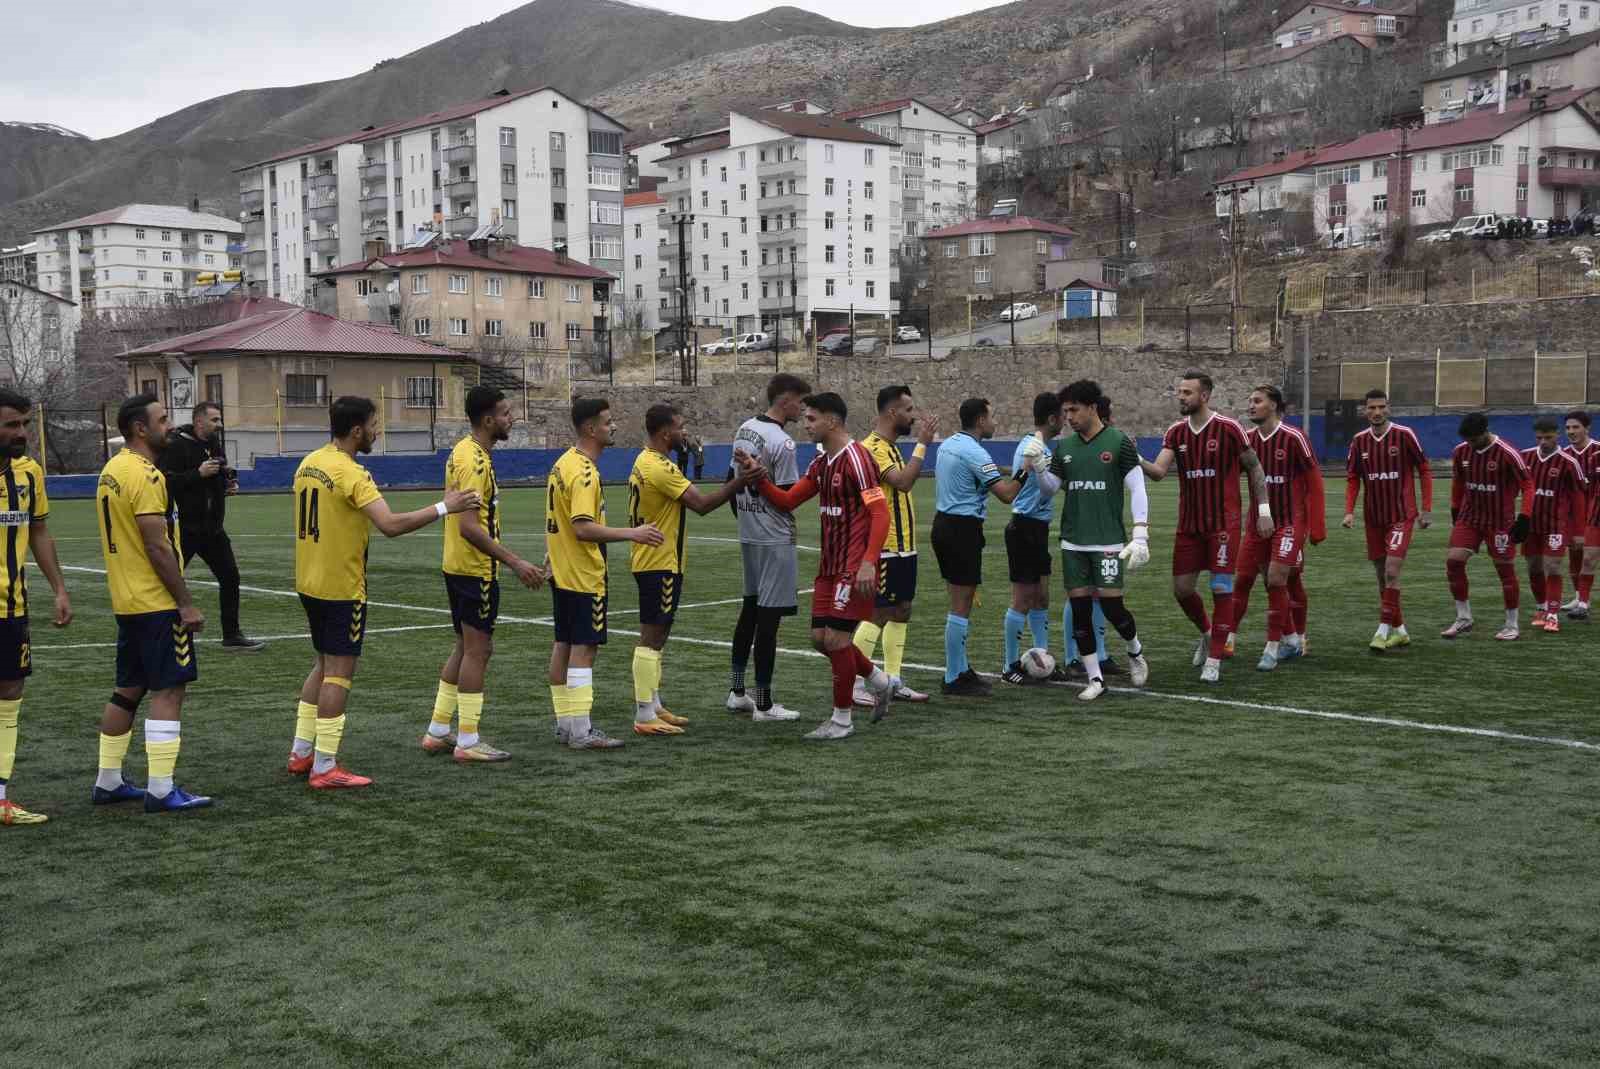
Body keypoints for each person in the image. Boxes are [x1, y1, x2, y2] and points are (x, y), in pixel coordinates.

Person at [289, 396, 479, 789]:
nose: (377, 431)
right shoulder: (351, 472)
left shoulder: (309, 463)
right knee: (338, 675)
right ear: (357, 430)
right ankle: (325, 767)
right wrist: (445, 507)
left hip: (309, 581)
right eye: (374, 424)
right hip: (341, 586)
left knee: (322, 666)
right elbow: (390, 524)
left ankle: (301, 753)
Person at [738, 392, 895, 740]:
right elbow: (789, 500)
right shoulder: (822, 463)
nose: (805, 424)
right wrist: (758, 477)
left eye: (811, 419)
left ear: (832, 421)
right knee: (819, 640)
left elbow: (879, 512)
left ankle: (842, 721)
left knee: (837, 640)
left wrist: (869, 561)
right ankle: (881, 682)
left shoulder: (857, 458)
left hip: (854, 567)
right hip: (829, 567)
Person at [93, 394, 211, 812]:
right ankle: (161, 789)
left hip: (126, 600)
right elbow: (157, 546)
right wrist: (185, 603)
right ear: (140, 429)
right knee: (169, 690)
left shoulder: (112, 470)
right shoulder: (146, 476)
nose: (170, 425)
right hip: (155, 602)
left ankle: (108, 781)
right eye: (163, 420)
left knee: (128, 689)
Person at [424, 387, 545, 764]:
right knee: (479, 650)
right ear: (489, 419)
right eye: (507, 413)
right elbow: (470, 527)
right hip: (474, 569)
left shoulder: (464, 451)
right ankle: (468, 739)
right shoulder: (474, 460)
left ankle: (438, 730)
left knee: (463, 646)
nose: (512, 419)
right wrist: (515, 562)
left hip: (455, 565)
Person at [546, 397, 663, 750]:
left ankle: (567, 723)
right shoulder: (583, 471)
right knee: (585, 647)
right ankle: (581, 731)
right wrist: (633, 533)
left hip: (564, 571)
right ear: (589, 429)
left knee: (563, 644)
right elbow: (582, 527)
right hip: (583, 574)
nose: (613, 426)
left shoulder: (562, 464)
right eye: (608, 422)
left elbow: (558, 522)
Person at [1140, 371, 1271, 684]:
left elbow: (1254, 468)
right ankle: (1210, 633)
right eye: (1179, 392)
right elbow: (1158, 471)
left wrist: (1263, 510)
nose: (1181, 397)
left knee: (1221, 588)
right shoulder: (1175, 432)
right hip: (1189, 525)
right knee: (1182, 590)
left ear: (1205, 396)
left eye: (1187, 392)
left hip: (1223, 525)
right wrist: (1135, 457)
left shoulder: (1229, 428)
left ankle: (1214, 659)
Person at [628, 403, 749, 736]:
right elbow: (702, 505)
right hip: (658, 561)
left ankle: (653, 704)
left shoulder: (647, 460)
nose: (686, 433)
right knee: (651, 638)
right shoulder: (658, 467)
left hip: (657, 559)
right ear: (666, 432)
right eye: (681, 427)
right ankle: (643, 713)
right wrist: (740, 483)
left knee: (658, 635)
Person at [1034, 379, 1151, 702]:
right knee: (1081, 610)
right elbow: (1049, 489)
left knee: (1114, 607)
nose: (1068, 417)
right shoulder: (1066, 448)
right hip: (1073, 541)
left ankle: (1135, 651)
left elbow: (1138, 488)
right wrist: (1038, 469)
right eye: (1065, 411)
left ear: (1092, 408)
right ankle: (1095, 679)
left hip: (1108, 542)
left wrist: (1141, 532)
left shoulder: (1119, 443)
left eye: (1074, 410)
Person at [0, 389, 70, 826]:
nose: (21, 433)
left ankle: (1, 798)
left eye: (24, 424)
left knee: (10, 693)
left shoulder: (28, 475)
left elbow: (39, 531)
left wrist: (59, 588)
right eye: (11, 425)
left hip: (11, 607)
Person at [726, 373, 811, 722]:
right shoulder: (783, 442)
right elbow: (788, 499)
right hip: (775, 539)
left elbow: (731, 482)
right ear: (785, 399)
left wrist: (747, 519)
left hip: (749, 534)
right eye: (801, 401)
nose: (803, 408)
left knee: (749, 611)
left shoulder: (745, 428)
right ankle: (763, 704)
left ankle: (737, 691)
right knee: (769, 621)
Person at [932, 398, 1026, 696]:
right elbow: (1008, 495)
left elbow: (985, 471)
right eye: (992, 415)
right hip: (962, 530)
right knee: (961, 603)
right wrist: (1026, 470)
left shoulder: (950, 444)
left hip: (944, 524)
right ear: (980, 421)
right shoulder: (975, 450)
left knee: (959, 599)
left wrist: (1007, 469)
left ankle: (960, 668)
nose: (994, 421)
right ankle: (952, 677)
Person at [851, 385, 936, 707]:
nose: (913, 416)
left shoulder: (891, 446)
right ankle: (855, 682)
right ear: (892, 413)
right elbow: (902, 481)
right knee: (878, 613)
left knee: (901, 611)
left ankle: (892, 680)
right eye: (909, 410)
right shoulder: (872, 447)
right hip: (883, 547)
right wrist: (923, 445)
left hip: (904, 547)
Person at [1233, 385, 1325, 670]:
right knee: (1259, 580)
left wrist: (1317, 526)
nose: (1251, 406)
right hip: (1256, 526)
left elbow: (1315, 481)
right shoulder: (1246, 440)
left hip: (1289, 523)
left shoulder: (1294, 437)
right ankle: (1291, 639)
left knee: (1278, 579)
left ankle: (1272, 647)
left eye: (1257, 401)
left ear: (1273, 405)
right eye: (1249, 401)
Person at [158, 401, 262, 651]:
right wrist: (198, 473)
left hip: (212, 529)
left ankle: (232, 635)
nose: (220, 425)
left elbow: (218, 469)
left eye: (220, 420)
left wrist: (227, 481)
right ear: (199, 422)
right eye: (215, 420)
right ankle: (164, 637)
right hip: (184, 528)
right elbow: (163, 482)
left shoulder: (213, 443)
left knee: (230, 577)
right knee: (170, 581)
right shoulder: (176, 445)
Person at [1341, 388, 1432, 650]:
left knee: (1392, 570)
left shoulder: (1404, 435)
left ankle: (1381, 631)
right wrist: (1349, 511)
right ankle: (1401, 630)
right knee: (1383, 577)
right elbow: (1353, 478)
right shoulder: (1359, 441)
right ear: (1364, 410)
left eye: (1381, 407)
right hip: (1374, 518)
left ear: (1388, 408)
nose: (1377, 412)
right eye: (1372, 408)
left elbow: (1424, 469)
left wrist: (1425, 509)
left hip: (1402, 516)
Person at [1442, 412, 1533, 641]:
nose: (1470, 444)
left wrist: (1524, 518)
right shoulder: (1461, 452)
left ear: (1485, 432)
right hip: (1469, 518)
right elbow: (1458, 482)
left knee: (1505, 571)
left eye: (1474, 439)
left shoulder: (1508, 453)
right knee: (1453, 561)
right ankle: (1464, 618)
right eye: (1467, 440)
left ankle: (1512, 624)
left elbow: (1528, 485)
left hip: (1499, 523)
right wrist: (1455, 509)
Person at [1000, 393, 1064, 685]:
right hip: (1024, 528)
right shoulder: (1034, 447)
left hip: (1037, 529)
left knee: (1041, 597)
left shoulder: (1039, 445)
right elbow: (1039, 479)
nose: (1066, 420)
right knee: (1023, 599)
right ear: (1052, 419)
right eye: (1062, 415)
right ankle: (1009, 665)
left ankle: (1042, 658)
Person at [1520, 417, 1587, 632]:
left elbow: (1578, 499)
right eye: (1539, 438)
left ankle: (1552, 615)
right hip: (1531, 525)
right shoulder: (1526, 457)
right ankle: (1541, 607)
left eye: (1548, 437)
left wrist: (1579, 531)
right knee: (1533, 567)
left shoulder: (1568, 461)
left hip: (1555, 526)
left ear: (1557, 436)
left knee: (1553, 567)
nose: (1543, 442)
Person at [1561, 410, 1598, 617]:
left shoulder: (1597, 450)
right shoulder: (1564, 455)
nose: (1571, 431)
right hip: (1574, 516)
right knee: (1575, 554)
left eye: (1576, 427)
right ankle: (1579, 597)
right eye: (1568, 428)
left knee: (1589, 556)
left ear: (1587, 428)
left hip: (1595, 512)